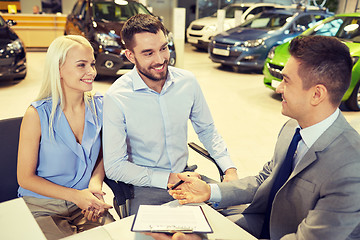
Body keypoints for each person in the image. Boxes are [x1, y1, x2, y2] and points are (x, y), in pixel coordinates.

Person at [166, 35, 360, 240]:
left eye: (286, 81)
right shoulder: (292, 127)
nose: (278, 88)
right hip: (264, 222)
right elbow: (264, 179)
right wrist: (209, 191)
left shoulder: (350, 169)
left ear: (317, 94)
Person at [103, 14, 238, 215]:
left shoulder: (188, 82)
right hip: (146, 186)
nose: (160, 60)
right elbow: (115, 166)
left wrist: (229, 169)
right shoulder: (117, 97)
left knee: (241, 214)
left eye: (163, 48)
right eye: (148, 53)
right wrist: (167, 178)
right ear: (130, 56)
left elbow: (207, 130)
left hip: (187, 177)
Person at [17, 35, 114, 240]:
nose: (91, 72)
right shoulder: (36, 115)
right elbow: (25, 178)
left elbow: (106, 153)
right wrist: (75, 196)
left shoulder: (101, 106)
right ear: (58, 68)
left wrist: (94, 186)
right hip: (42, 207)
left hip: (86, 203)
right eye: (82, 65)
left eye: (92, 64)